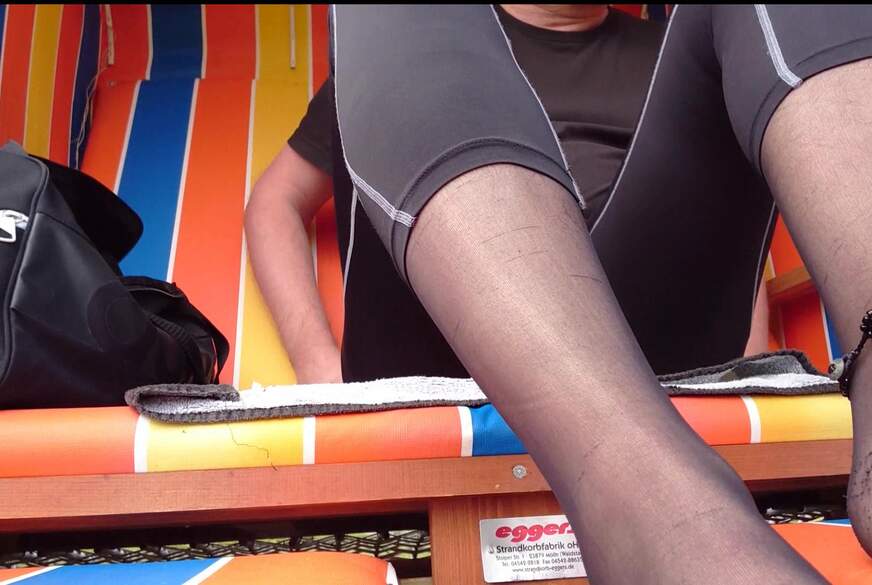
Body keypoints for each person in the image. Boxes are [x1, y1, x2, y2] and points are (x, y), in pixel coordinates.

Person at [321, 5, 872, 584]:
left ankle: (667, 523)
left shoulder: (667, 49)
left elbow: (713, 229)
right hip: (444, 315)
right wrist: (316, 356)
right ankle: (662, 511)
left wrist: (746, 358)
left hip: (648, 333)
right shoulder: (404, 47)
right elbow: (276, 204)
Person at [246, 5, 666, 383]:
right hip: (433, 351)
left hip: (629, 343)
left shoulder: (672, 59)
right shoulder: (415, 44)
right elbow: (276, 202)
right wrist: (314, 358)